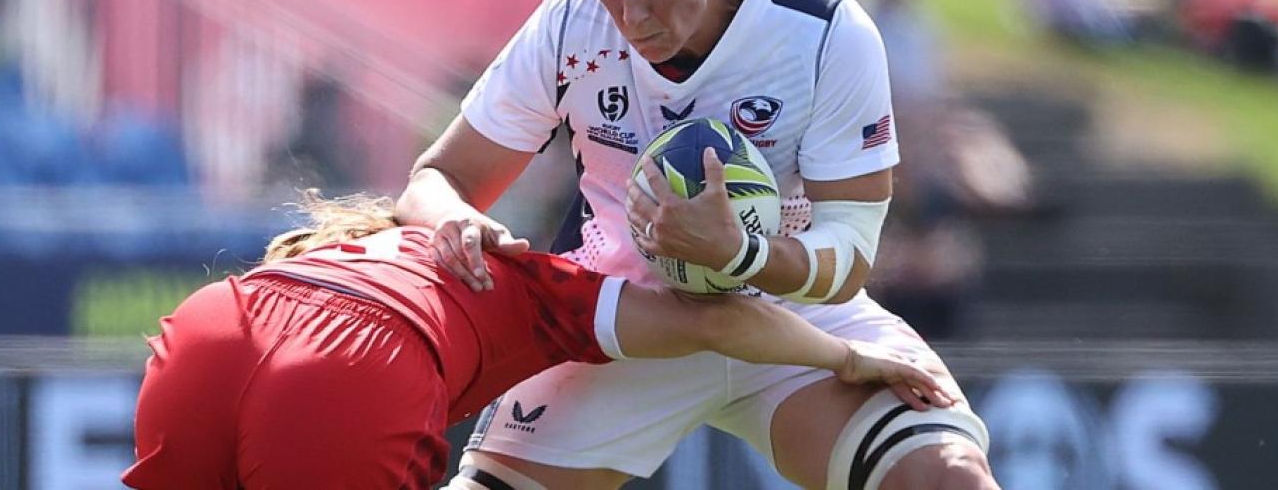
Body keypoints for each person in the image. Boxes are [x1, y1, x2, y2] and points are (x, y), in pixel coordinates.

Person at [395, 0, 997, 489]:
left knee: (948, 475)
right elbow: (439, 178)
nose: (630, 12)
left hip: (796, 315)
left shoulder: (824, 31)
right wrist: (454, 219)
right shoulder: (570, 20)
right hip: (625, 316)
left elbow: (851, 254)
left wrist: (742, 254)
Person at [120, 191, 950, 489]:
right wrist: (845, 354)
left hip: (214, 324)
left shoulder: (368, 241)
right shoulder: (537, 278)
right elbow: (718, 319)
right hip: (353, 364)